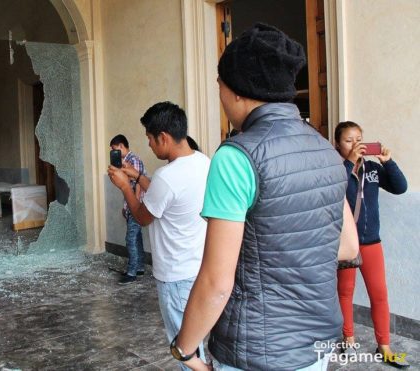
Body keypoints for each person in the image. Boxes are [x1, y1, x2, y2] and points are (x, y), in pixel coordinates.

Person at [173, 23, 359, 371]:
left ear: (239, 91)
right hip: (315, 347)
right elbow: (348, 247)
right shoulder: (326, 151)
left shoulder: (236, 157)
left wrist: (183, 349)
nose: (221, 97)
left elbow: (216, 282)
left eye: (220, 88)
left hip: (256, 351)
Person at [108, 102, 210, 370]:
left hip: (176, 276)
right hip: (200, 266)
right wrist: (139, 176)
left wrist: (124, 187)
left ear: (163, 137)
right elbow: (166, 196)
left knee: (185, 349)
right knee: (199, 341)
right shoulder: (203, 162)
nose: (150, 146)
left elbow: (142, 216)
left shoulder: (167, 176)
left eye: (151, 139)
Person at [334, 121, 409, 368]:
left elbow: (400, 187)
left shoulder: (373, 169)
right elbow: (334, 191)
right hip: (346, 243)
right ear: (337, 144)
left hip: (371, 241)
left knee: (379, 294)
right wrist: (348, 164)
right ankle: (349, 339)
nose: (355, 144)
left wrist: (389, 162)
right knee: (345, 292)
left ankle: (384, 346)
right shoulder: (335, 169)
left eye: (359, 138)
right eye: (348, 140)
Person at [109, 134, 147, 284]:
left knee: (130, 239)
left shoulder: (134, 161)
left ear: (121, 146)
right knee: (137, 238)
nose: (113, 153)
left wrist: (134, 206)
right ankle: (140, 267)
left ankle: (131, 273)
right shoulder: (125, 162)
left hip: (136, 205)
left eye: (114, 149)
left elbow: (137, 184)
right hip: (131, 205)